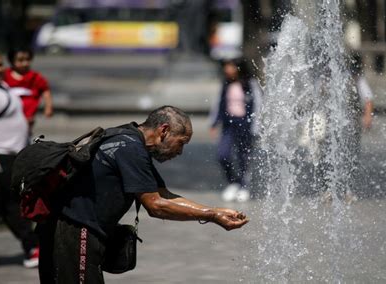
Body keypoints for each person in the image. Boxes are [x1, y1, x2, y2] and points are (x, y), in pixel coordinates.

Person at [37, 106, 249, 284]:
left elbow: (163, 194)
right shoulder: (131, 149)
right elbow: (155, 205)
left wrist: (214, 210)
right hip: (74, 229)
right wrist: (211, 216)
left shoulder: (128, 138)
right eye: (181, 142)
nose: (180, 151)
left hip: (66, 226)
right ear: (164, 130)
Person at [0, 49, 39, 268]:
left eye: (0, 64)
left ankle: (32, 246)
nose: (0, 69)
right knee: (11, 205)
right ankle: (32, 247)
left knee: (8, 204)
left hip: (14, 155)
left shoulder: (1, 88)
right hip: (1, 158)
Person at [209, 59, 260, 202]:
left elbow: (258, 105)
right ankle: (234, 182)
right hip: (228, 126)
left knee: (243, 157)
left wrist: (256, 127)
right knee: (223, 154)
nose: (227, 69)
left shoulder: (250, 84)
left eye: (230, 66)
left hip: (245, 125)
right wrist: (213, 123)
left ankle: (244, 186)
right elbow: (218, 104)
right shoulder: (226, 84)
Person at [4, 46, 53, 134]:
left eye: (27, 60)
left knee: (24, 133)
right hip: (8, 114)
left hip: (28, 115)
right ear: (11, 61)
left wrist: (48, 107)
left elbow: (45, 90)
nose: (25, 63)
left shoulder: (35, 77)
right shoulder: (5, 75)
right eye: (20, 60)